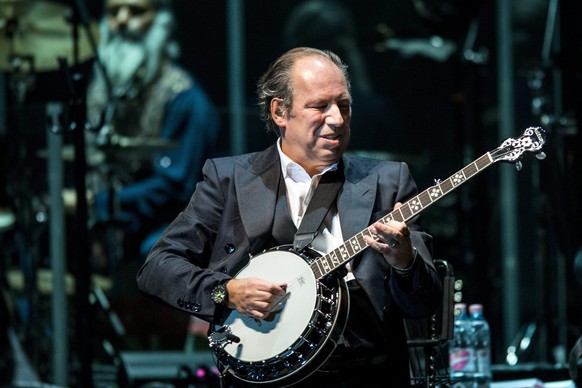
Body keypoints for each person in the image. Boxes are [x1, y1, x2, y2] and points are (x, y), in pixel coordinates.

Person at [137, 47, 442, 386]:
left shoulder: (388, 181)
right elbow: (157, 268)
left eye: (343, 105)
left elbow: (423, 304)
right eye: (320, 106)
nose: (338, 119)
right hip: (259, 377)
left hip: (366, 369)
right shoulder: (229, 180)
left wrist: (404, 260)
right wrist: (227, 292)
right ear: (280, 111)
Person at [78, 0, 219, 271]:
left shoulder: (184, 97)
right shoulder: (98, 91)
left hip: (169, 222)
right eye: (113, 11)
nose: (121, 20)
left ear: (161, 21)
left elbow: (175, 187)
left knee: (156, 254)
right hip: (109, 218)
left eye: (136, 11)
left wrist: (99, 202)